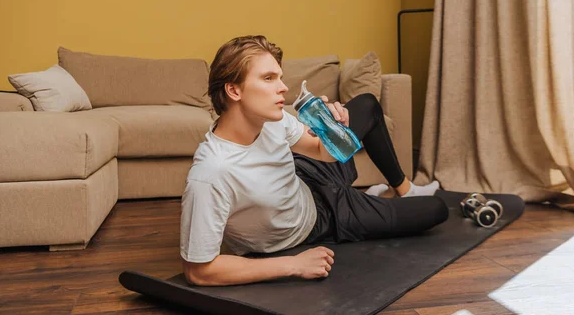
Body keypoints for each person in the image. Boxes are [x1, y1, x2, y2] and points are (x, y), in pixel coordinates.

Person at [180, 35, 448, 286]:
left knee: (366, 104)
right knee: (436, 209)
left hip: (306, 178)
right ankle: (370, 199)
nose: (283, 87)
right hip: (321, 219)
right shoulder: (211, 173)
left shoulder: (272, 119)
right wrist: (293, 264)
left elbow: (322, 152)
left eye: (280, 77)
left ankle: (403, 189)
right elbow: (198, 270)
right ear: (234, 91)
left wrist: (332, 128)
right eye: (269, 78)